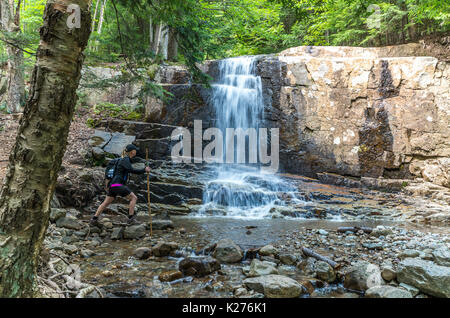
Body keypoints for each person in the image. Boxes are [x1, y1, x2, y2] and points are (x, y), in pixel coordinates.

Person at [90, 144, 150, 226]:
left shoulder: (122, 159)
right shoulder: (125, 159)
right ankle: (131, 219)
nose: (136, 151)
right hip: (117, 184)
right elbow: (131, 169)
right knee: (133, 198)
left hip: (112, 185)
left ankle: (94, 219)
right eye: (135, 150)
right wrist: (144, 170)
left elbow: (130, 166)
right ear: (132, 151)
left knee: (106, 203)